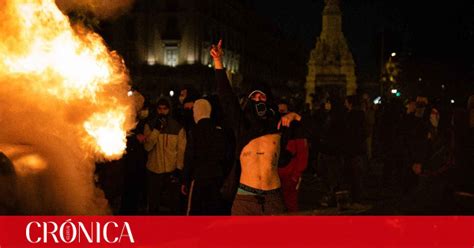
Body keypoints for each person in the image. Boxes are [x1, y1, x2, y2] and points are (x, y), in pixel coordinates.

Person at [211, 40, 302, 215]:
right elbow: (226, 97)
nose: (258, 101)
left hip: (273, 197)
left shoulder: (278, 124)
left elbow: (312, 132)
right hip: (245, 197)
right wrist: (218, 62)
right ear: (248, 101)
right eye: (254, 98)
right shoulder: (241, 124)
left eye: (262, 98)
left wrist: (295, 115)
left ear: (268, 100)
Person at [181, 99, 229, 215]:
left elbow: (189, 157)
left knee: (195, 210)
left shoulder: (195, 131)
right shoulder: (219, 131)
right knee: (212, 209)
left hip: (199, 177)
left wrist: (185, 180)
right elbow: (225, 155)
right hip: (216, 176)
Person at [144, 98, 186, 214]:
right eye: (159, 109)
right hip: (154, 169)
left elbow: (181, 150)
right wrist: (156, 130)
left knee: (173, 204)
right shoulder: (150, 125)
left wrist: (178, 168)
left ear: (169, 110)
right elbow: (147, 147)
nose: (162, 112)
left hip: (171, 170)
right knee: (153, 203)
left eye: (165, 109)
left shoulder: (177, 128)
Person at [277, 100, 309, 212]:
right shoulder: (274, 127)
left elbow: (302, 152)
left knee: (290, 204)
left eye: (284, 112)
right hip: (275, 174)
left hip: (290, 174)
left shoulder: (296, 129)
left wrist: (296, 175)